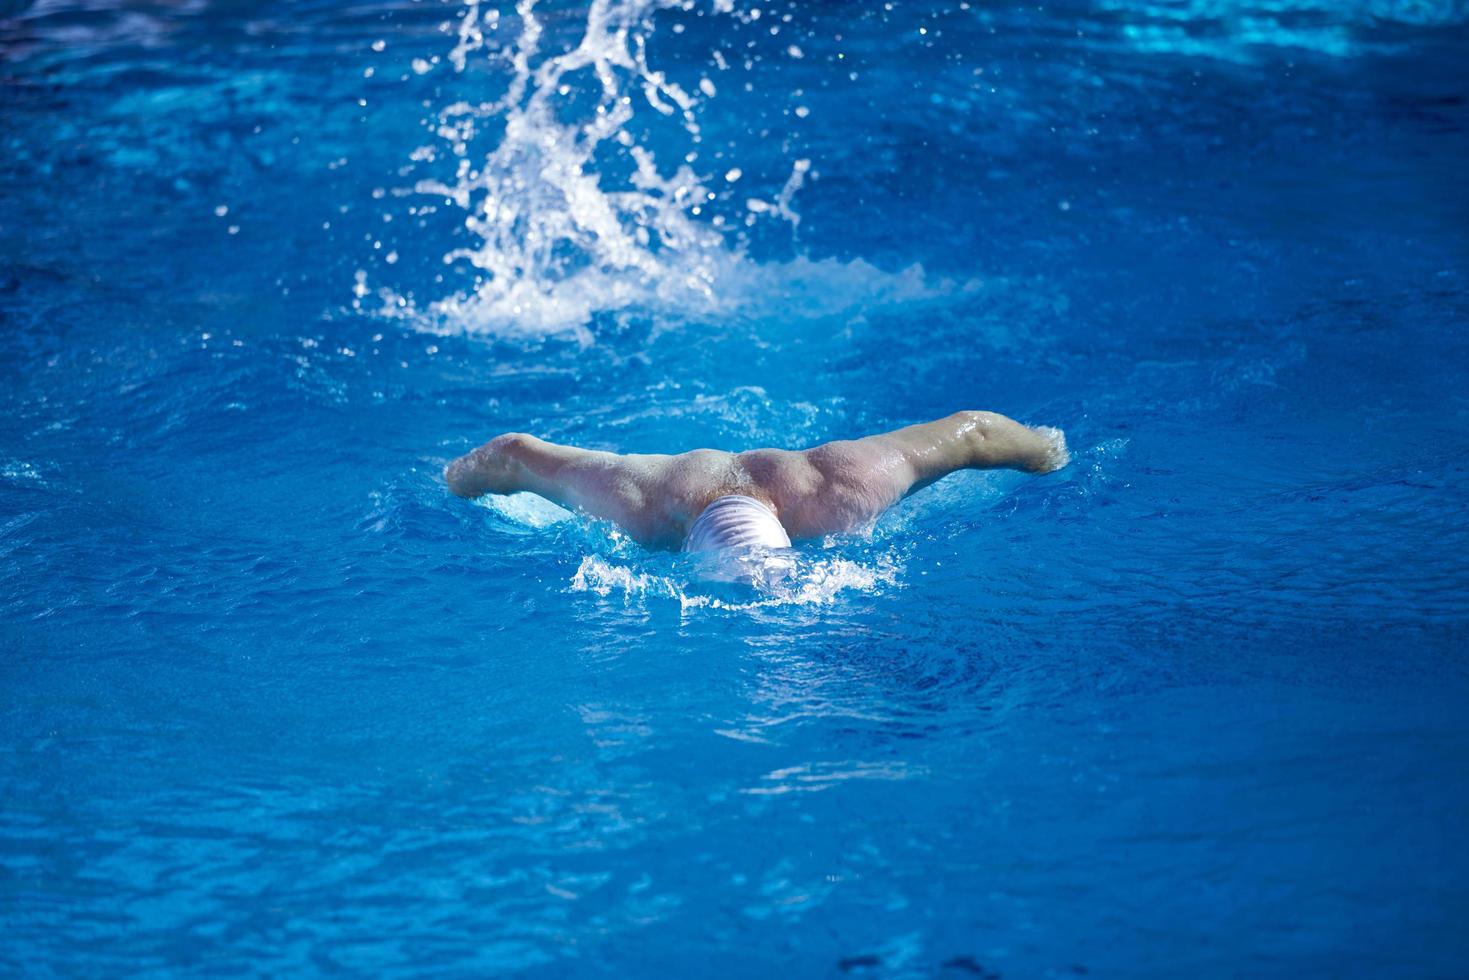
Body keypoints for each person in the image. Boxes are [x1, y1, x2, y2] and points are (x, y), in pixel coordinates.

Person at [444, 411, 1068, 552]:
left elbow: (974, 435)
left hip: (810, 470)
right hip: (671, 477)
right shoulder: (642, 503)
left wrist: (1046, 454)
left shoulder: (839, 490)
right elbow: (514, 453)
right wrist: (454, 483)